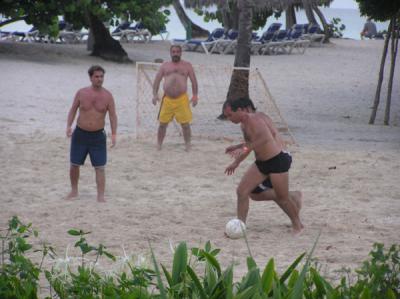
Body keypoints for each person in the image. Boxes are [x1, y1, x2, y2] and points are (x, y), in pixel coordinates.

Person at [224, 98, 303, 234]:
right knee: (242, 192)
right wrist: (236, 160)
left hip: (277, 161)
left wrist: (242, 149)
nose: (229, 119)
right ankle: (239, 227)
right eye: (227, 116)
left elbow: (266, 138)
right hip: (261, 163)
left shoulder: (254, 119)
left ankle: (298, 225)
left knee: (282, 198)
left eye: (230, 115)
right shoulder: (243, 124)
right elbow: (250, 145)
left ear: (241, 110)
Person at [66, 65, 117, 202]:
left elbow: (113, 116)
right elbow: (73, 110)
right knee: (74, 164)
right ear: (90, 77)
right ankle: (74, 191)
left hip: (98, 136)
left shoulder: (108, 96)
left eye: (101, 76)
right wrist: (68, 126)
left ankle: (100, 196)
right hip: (80, 134)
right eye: (96, 76)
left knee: (100, 167)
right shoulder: (81, 93)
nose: (100, 79)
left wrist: (113, 134)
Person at [152, 45, 199, 151]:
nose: (175, 54)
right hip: (167, 99)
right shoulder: (165, 66)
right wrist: (155, 94)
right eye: (173, 52)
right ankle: (159, 145)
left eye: (177, 52)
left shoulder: (187, 66)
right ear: (170, 53)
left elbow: (194, 81)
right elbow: (157, 81)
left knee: (185, 124)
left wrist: (195, 95)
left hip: (181, 99)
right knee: (162, 124)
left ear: (181, 53)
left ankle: (188, 145)